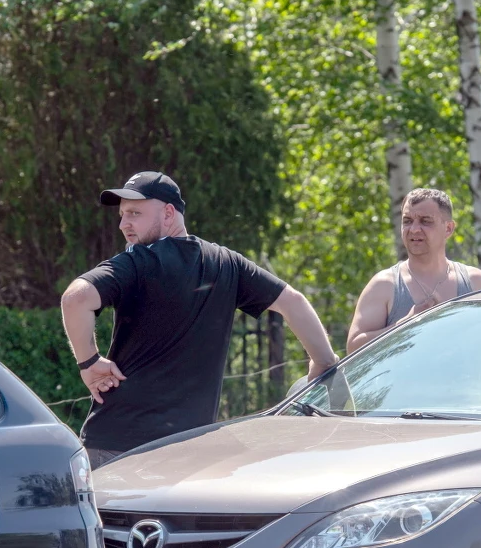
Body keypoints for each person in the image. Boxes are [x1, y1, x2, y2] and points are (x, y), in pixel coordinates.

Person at [60, 171, 338, 467]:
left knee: (105, 517)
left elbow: (76, 299)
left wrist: (89, 364)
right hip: (189, 452)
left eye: (134, 213)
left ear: (168, 213)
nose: (123, 224)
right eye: (122, 215)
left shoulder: (137, 262)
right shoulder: (226, 263)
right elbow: (293, 302)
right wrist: (324, 362)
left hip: (116, 446)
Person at [346, 188, 481, 352]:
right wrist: (405, 326)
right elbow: (354, 348)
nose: (414, 229)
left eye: (425, 221)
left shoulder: (475, 283)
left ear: (448, 229)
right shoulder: (384, 285)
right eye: (407, 221)